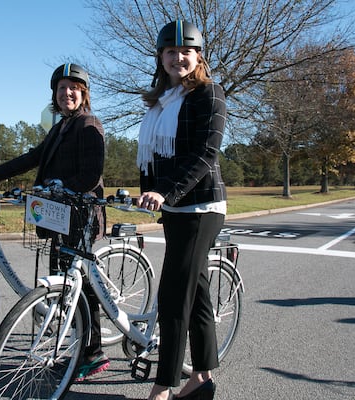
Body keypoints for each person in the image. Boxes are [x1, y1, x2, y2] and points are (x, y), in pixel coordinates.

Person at [0, 63, 110, 380]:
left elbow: (90, 175)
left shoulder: (89, 124)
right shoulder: (60, 128)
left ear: (83, 93)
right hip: (58, 215)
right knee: (60, 283)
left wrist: (58, 190)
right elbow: (31, 158)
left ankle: (93, 351)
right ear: (55, 95)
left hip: (79, 217)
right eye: (61, 88)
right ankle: (72, 343)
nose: (67, 93)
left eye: (74, 88)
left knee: (80, 286)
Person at [135, 21, 227, 400]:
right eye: (170, 52)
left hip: (202, 206)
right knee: (196, 294)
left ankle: (162, 386)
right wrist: (146, 193)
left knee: (173, 296)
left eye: (186, 51)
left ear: (198, 55)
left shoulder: (210, 94)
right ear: (161, 58)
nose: (178, 57)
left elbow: (204, 155)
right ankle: (201, 380)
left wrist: (164, 191)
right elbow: (154, 157)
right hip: (175, 208)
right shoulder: (160, 102)